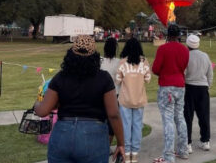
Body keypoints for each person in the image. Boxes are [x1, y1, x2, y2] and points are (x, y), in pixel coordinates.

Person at [35, 35, 125, 163]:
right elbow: (114, 114)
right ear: (95, 56)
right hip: (94, 137)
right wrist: (121, 143)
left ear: (70, 54)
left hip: (62, 135)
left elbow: (43, 110)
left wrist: (37, 103)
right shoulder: (104, 78)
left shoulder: (60, 78)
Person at [151, 24, 190, 163]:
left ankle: (168, 155)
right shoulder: (185, 50)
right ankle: (183, 150)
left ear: (168, 35)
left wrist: (164, 73)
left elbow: (155, 68)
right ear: (179, 35)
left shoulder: (163, 49)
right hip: (180, 85)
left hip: (167, 86)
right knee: (180, 117)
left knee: (168, 120)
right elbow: (184, 66)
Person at [116, 37, 152, 163]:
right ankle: (134, 154)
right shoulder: (144, 62)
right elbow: (148, 79)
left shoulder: (122, 62)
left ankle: (126, 154)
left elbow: (117, 80)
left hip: (125, 99)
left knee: (126, 126)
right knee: (137, 126)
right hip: (139, 99)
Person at [183, 34, 213, 153]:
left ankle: (187, 143)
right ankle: (205, 141)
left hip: (189, 87)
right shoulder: (205, 56)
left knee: (187, 116)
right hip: (203, 88)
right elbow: (210, 73)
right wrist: (207, 86)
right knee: (204, 115)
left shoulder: (186, 56)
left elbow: (183, 72)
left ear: (187, 44)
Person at [102, 38, 122, 146]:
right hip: (115, 94)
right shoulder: (119, 62)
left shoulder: (100, 61)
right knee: (112, 122)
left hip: (101, 95)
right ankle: (107, 146)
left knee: (102, 120)